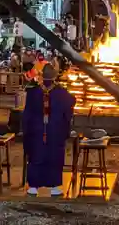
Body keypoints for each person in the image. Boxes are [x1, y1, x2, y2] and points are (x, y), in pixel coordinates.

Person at [23, 63, 75, 196]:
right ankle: (54, 187)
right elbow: (70, 104)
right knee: (54, 156)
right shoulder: (62, 92)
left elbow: (27, 113)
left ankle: (33, 186)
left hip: (36, 130)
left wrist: (26, 130)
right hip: (55, 129)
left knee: (35, 155)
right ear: (54, 76)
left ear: (42, 76)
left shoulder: (33, 92)